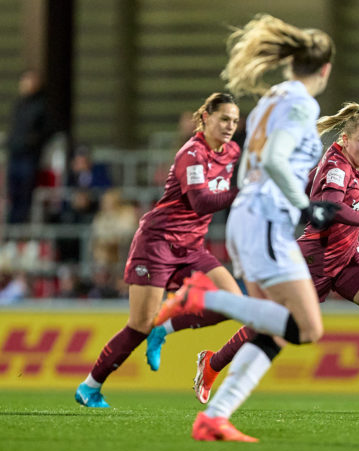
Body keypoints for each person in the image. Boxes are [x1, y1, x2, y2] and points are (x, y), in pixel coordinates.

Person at [155, 101, 359, 441]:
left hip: (347, 258)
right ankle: (212, 363)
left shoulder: (348, 162)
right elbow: (331, 207)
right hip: (316, 260)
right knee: (273, 325)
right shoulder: (339, 167)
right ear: (344, 139)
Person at [151, 14, 341, 442]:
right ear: (324, 69)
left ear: (292, 64)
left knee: (271, 331)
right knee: (308, 329)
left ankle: (214, 417)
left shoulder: (272, 98)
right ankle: (202, 296)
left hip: (246, 215)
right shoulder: (301, 104)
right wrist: (306, 206)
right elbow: (274, 159)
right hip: (268, 218)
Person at [74, 92, 243, 408]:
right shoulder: (191, 154)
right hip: (158, 244)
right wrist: (243, 191)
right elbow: (201, 202)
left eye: (234, 120)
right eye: (224, 119)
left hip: (192, 246)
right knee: (138, 324)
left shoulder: (232, 151)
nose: (230, 126)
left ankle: (163, 329)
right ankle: (89, 387)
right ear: (205, 118)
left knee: (234, 303)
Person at [6, 69, 51, 224]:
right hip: (15, 153)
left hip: (29, 156)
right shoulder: (19, 104)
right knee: (13, 195)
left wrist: (32, 141)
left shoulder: (41, 106)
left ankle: (21, 232)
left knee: (25, 197)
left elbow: (47, 131)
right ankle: (12, 231)